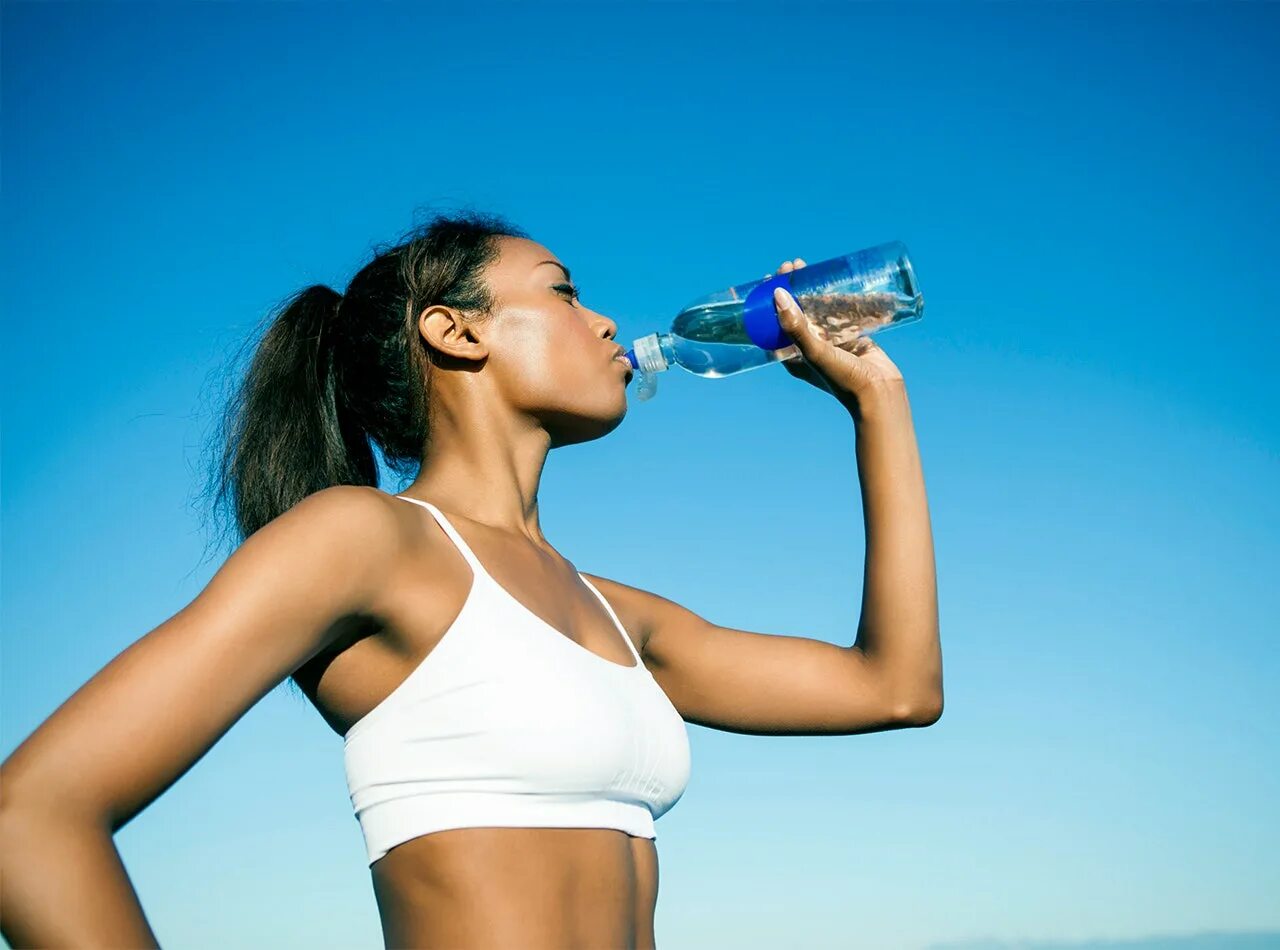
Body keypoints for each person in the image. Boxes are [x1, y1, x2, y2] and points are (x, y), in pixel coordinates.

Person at [0, 211, 942, 949]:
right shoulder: (364, 540)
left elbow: (895, 688)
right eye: (564, 293)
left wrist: (876, 400)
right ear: (453, 332)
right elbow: (30, 815)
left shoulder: (619, 616)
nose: (605, 319)